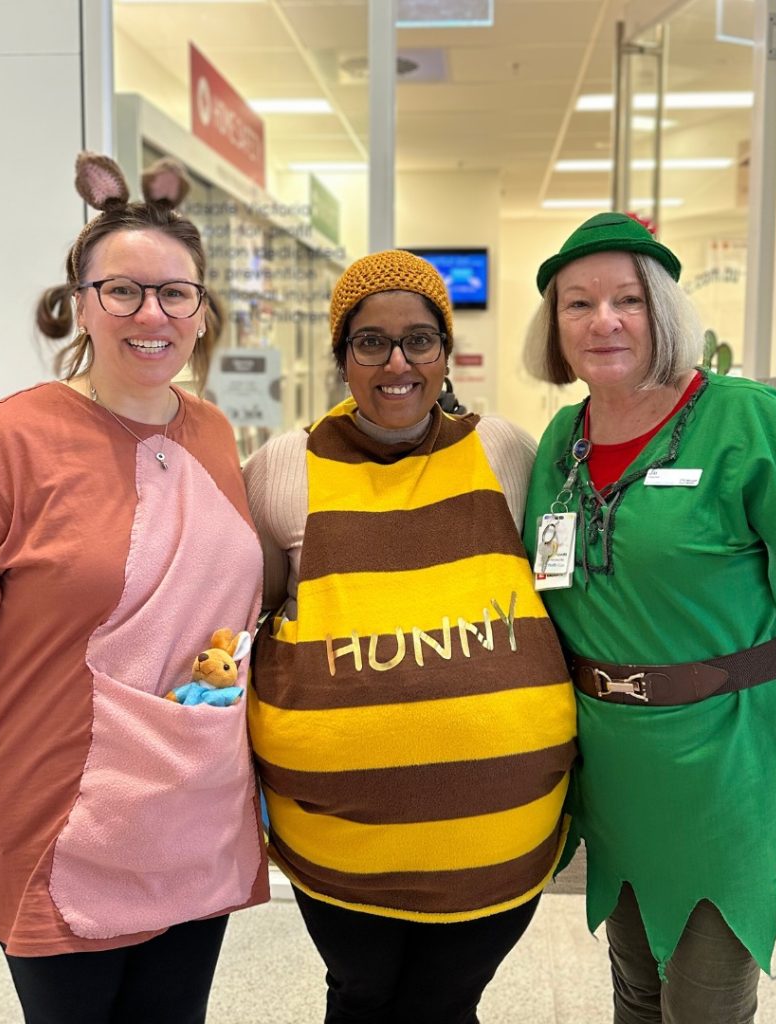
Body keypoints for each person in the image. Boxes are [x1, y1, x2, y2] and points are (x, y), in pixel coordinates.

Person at [0, 152, 268, 1024]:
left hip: (194, 808)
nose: (153, 315)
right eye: (123, 291)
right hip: (57, 808)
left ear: (201, 311)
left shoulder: (214, 434)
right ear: (80, 303)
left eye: (177, 294)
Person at [522, 211, 776, 1023]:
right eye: (577, 304)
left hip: (730, 753)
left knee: (704, 999)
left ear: (664, 312)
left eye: (627, 299)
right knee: (633, 981)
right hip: (615, 756)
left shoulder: (750, 423)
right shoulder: (564, 439)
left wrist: (750, 658)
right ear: (553, 326)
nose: (604, 322)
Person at [243, 249, 578, 1024]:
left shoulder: (505, 451)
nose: (397, 362)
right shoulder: (283, 468)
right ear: (341, 357)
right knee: (360, 996)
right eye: (371, 342)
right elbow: (242, 616)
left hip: (499, 839)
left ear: (445, 351)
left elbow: (565, 598)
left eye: (419, 340)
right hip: (338, 847)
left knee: (447, 1002)